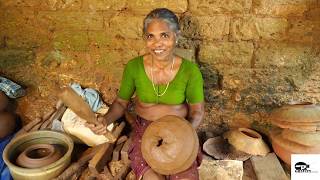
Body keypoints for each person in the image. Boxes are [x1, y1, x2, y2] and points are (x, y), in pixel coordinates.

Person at [87, 8, 204, 180]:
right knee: (152, 177)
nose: (158, 44)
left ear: (176, 36)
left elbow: (197, 111)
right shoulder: (134, 67)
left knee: (185, 175)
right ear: (145, 38)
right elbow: (120, 103)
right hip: (145, 130)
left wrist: (184, 137)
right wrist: (105, 120)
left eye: (164, 35)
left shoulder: (190, 71)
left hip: (180, 128)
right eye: (151, 36)